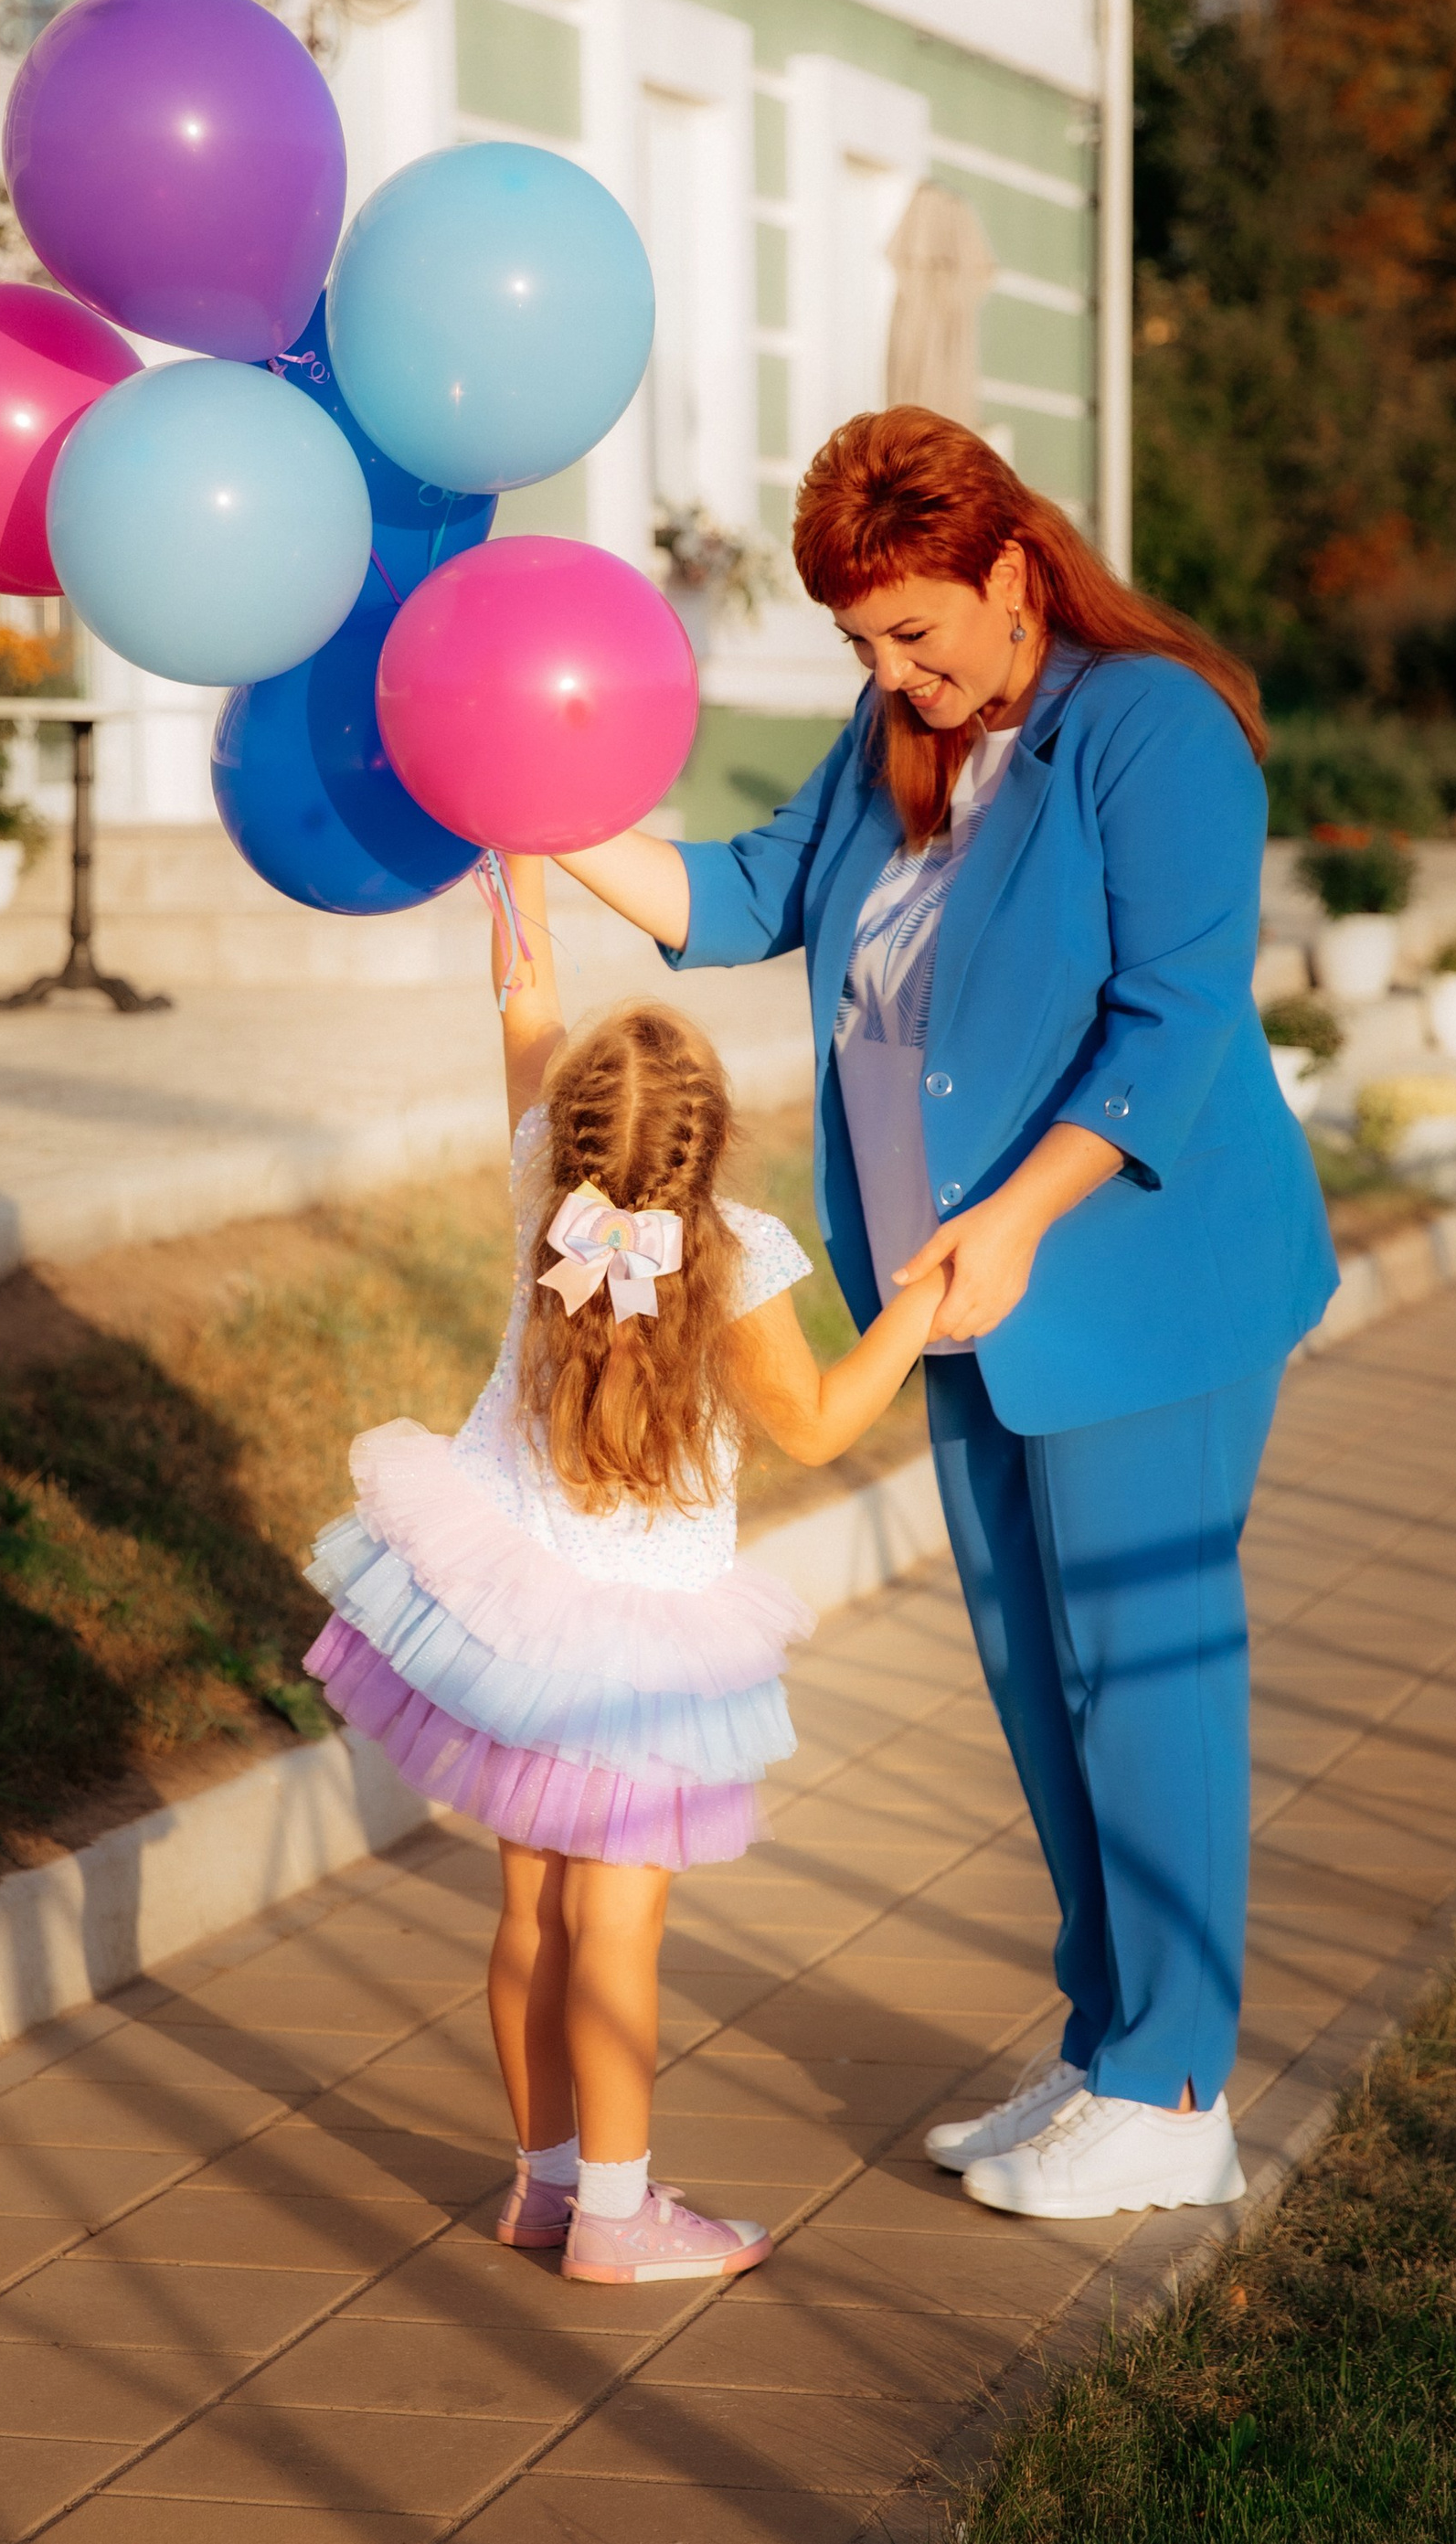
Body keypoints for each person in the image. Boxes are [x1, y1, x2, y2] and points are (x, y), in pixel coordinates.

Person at [556, 409, 1338, 2223]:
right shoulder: (901, 735)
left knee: (1139, 1672)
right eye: (857, 643)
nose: (890, 671)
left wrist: (1017, 1214)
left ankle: (1177, 2081)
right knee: (1030, 1674)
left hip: (1128, 1281)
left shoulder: (1143, 726)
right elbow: (747, 892)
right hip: (955, 1291)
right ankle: (1102, 2048)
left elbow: (1174, 1016)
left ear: (1009, 572)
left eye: (915, 630)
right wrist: (548, 813)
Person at [303, 850, 945, 2284]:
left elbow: (524, 990)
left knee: (533, 1906)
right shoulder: (736, 1256)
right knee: (620, 1929)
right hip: (648, 1648)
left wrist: (512, 840)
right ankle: (618, 2207)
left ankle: (539, 2183)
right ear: (711, 1149)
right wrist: (914, 1311)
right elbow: (822, 1424)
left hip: (508, 1611)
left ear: (582, 1132)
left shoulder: (547, 1184)